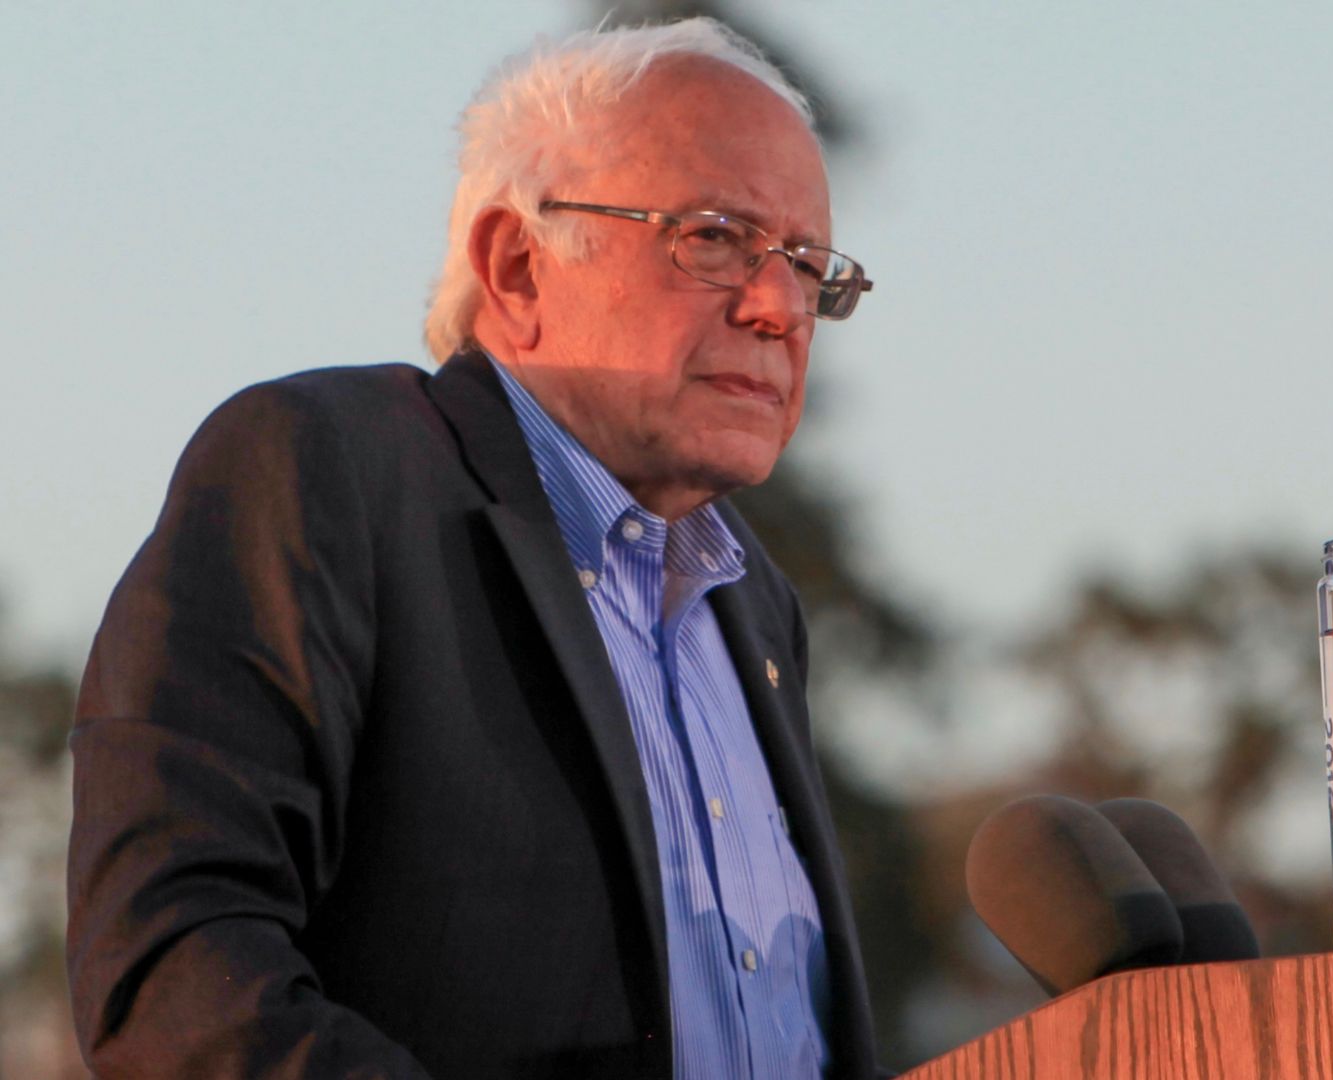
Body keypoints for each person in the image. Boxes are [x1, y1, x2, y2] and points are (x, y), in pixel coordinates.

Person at [65, 19, 879, 1079]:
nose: (779, 307)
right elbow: (172, 970)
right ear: (519, 267)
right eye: (716, 237)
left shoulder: (755, 606)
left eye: (810, 265)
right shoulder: (328, 473)